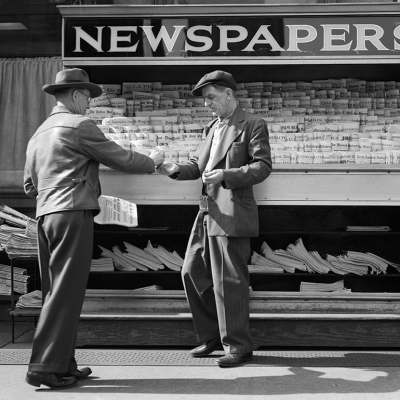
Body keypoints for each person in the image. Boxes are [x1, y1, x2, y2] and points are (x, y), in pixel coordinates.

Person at [23, 68, 163, 389]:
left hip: (46, 215)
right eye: (87, 96)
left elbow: (29, 186)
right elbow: (121, 158)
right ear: (74, 95)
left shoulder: (39, 133)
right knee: (67, 292)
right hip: (72, 212)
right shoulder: (78, 125)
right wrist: (153, 160)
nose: (89, 103)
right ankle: (44, 367)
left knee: (54, 291)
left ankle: (62, 365)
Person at [157, 70, 272, 368]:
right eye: (205, 99)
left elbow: (262, 167)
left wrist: (227, 175)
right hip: (207, 211)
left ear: (229, 94)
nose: (207, 104)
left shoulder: (253, 124)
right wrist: (172, 167)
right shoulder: (213, 126)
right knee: (191, 271)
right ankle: (213, 336)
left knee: (229, 281)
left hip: (232, 210)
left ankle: (238, 345)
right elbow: (198, 165)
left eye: (210, 97)